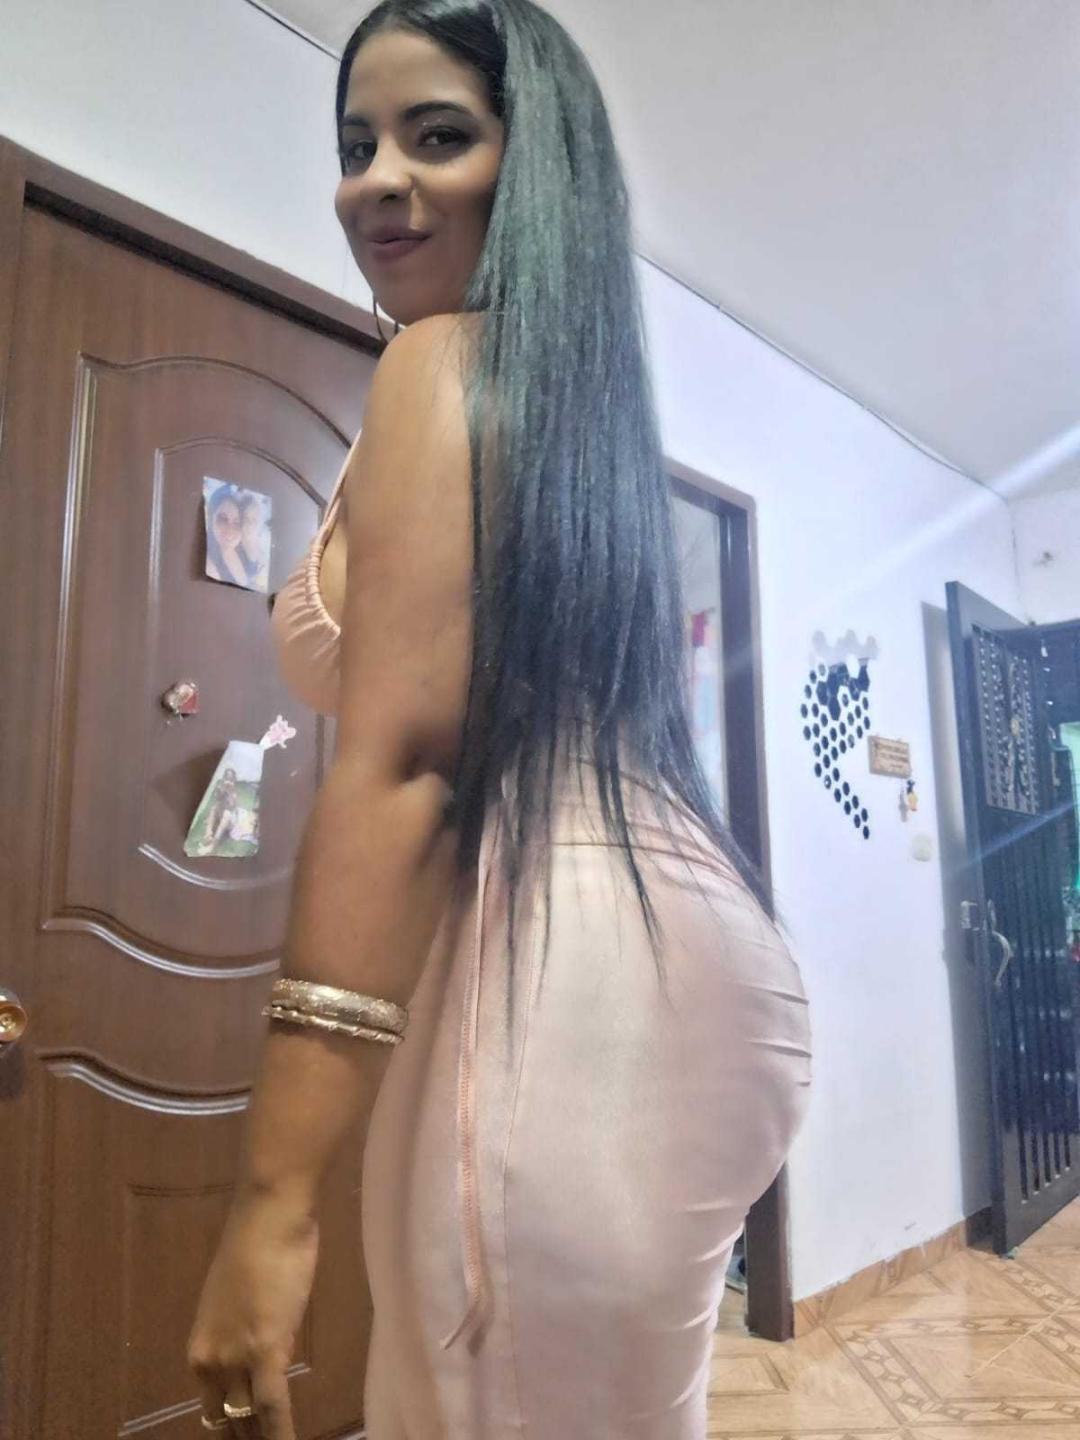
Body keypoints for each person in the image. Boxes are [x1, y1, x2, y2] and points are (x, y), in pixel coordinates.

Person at [187, 3, 811, 1437]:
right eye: (356, 146)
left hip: (566, 974)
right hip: (663, 957)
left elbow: (405, 767)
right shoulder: (561, 412)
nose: (378, 182)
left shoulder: (443, 367)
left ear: (536, 169)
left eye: (437, 136)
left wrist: (273, 1201)